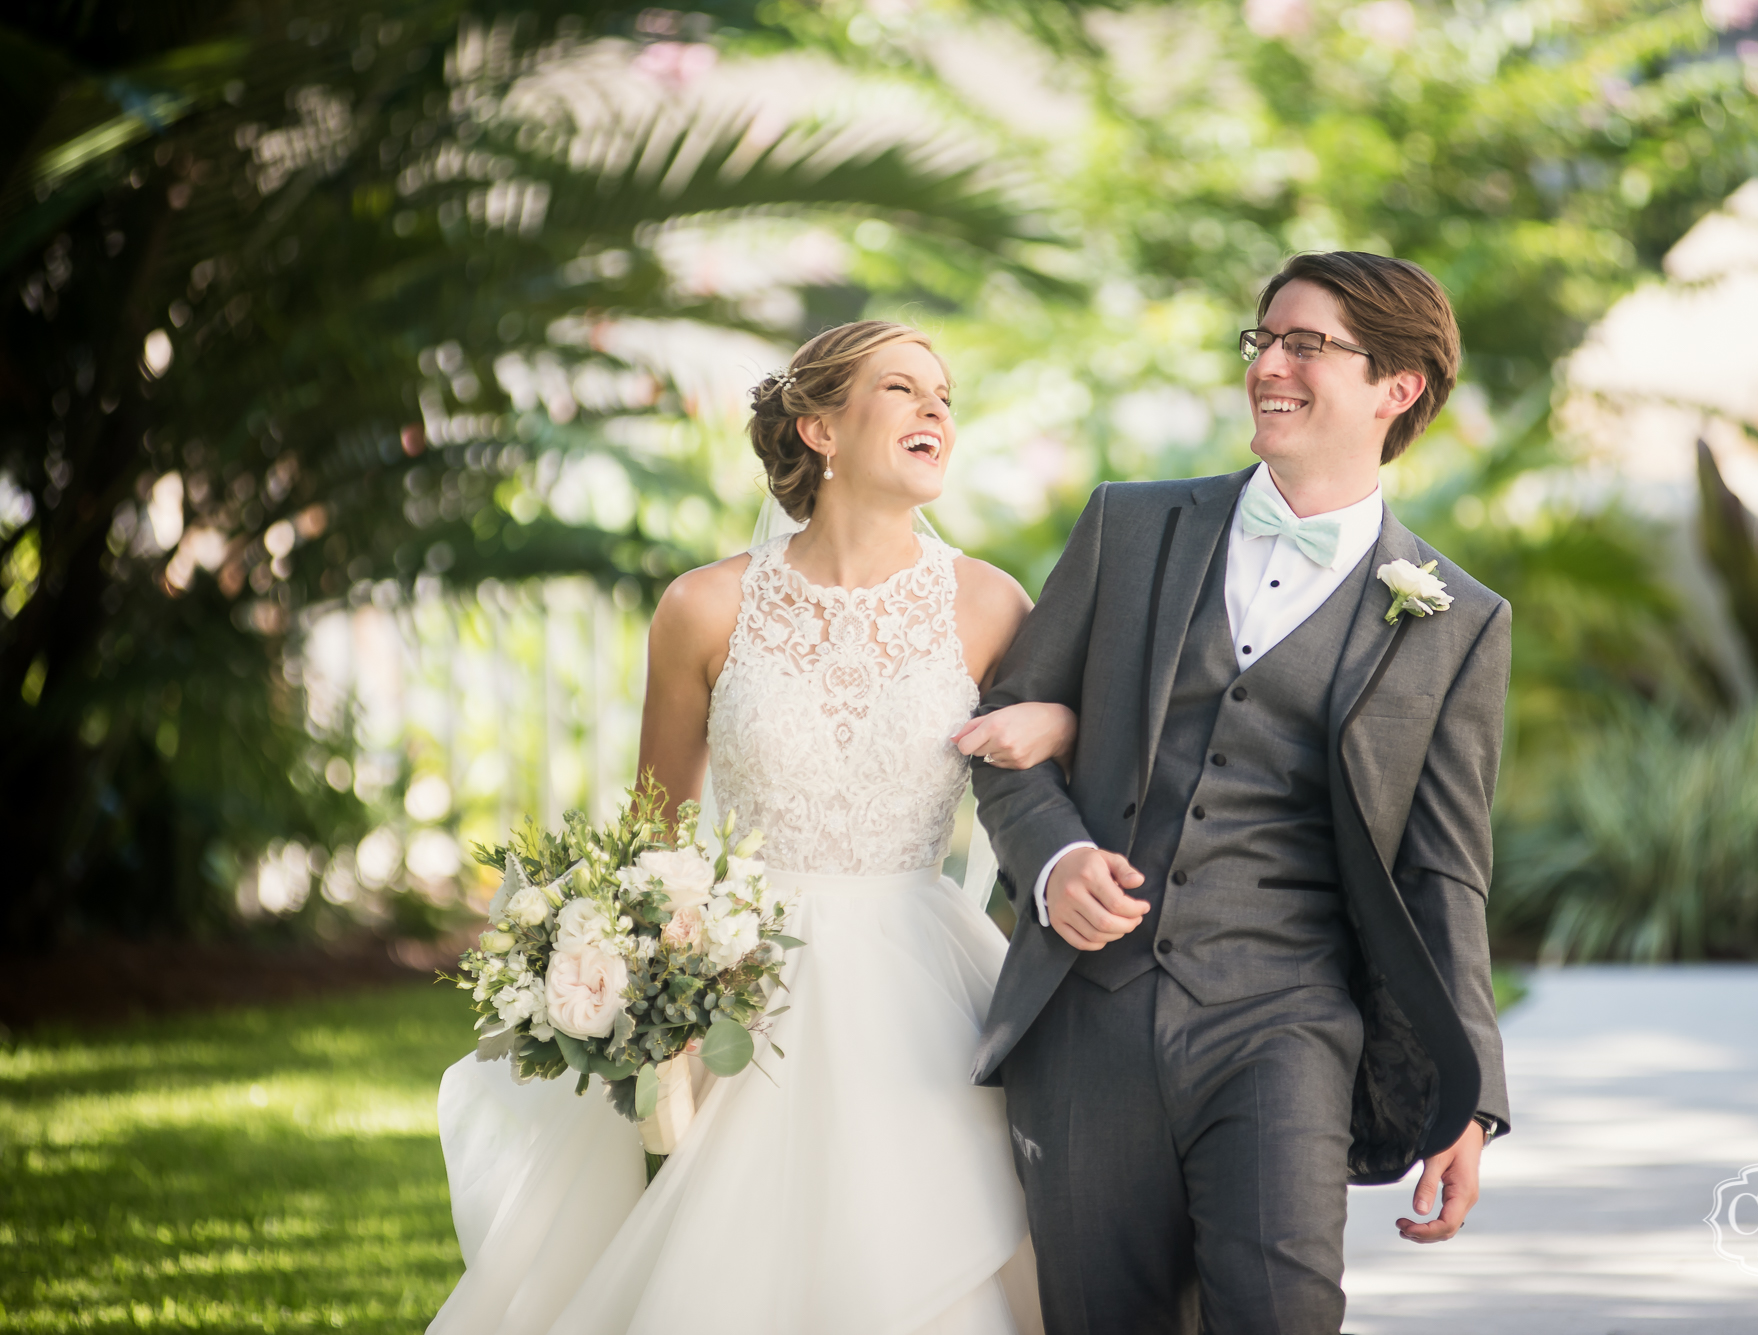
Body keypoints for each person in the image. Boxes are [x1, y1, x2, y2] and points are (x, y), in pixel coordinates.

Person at [429, 320, 1074, 1335]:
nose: (934, 410)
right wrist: (646, 971)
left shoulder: (988, 604)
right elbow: (655, 832)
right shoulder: (704, 606)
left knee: (929, 1243)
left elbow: (1062, 778)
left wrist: (1060, 717)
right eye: (901, 388)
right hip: (744, 978)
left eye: (943, 394)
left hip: (923, 977)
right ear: (816, 426)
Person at [968, 252, 1512, 1333]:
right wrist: (1057, 860)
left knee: (1281, 1312)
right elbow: (1004, 738)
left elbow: (1443, 872)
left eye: (1305, 345)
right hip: (1092, 1015)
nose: (1269, 364)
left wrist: (1472, 1098)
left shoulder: (1454, 619)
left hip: (1287, 1023)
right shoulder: (1129, 527)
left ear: (1394, 388)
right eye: (1261, 340)